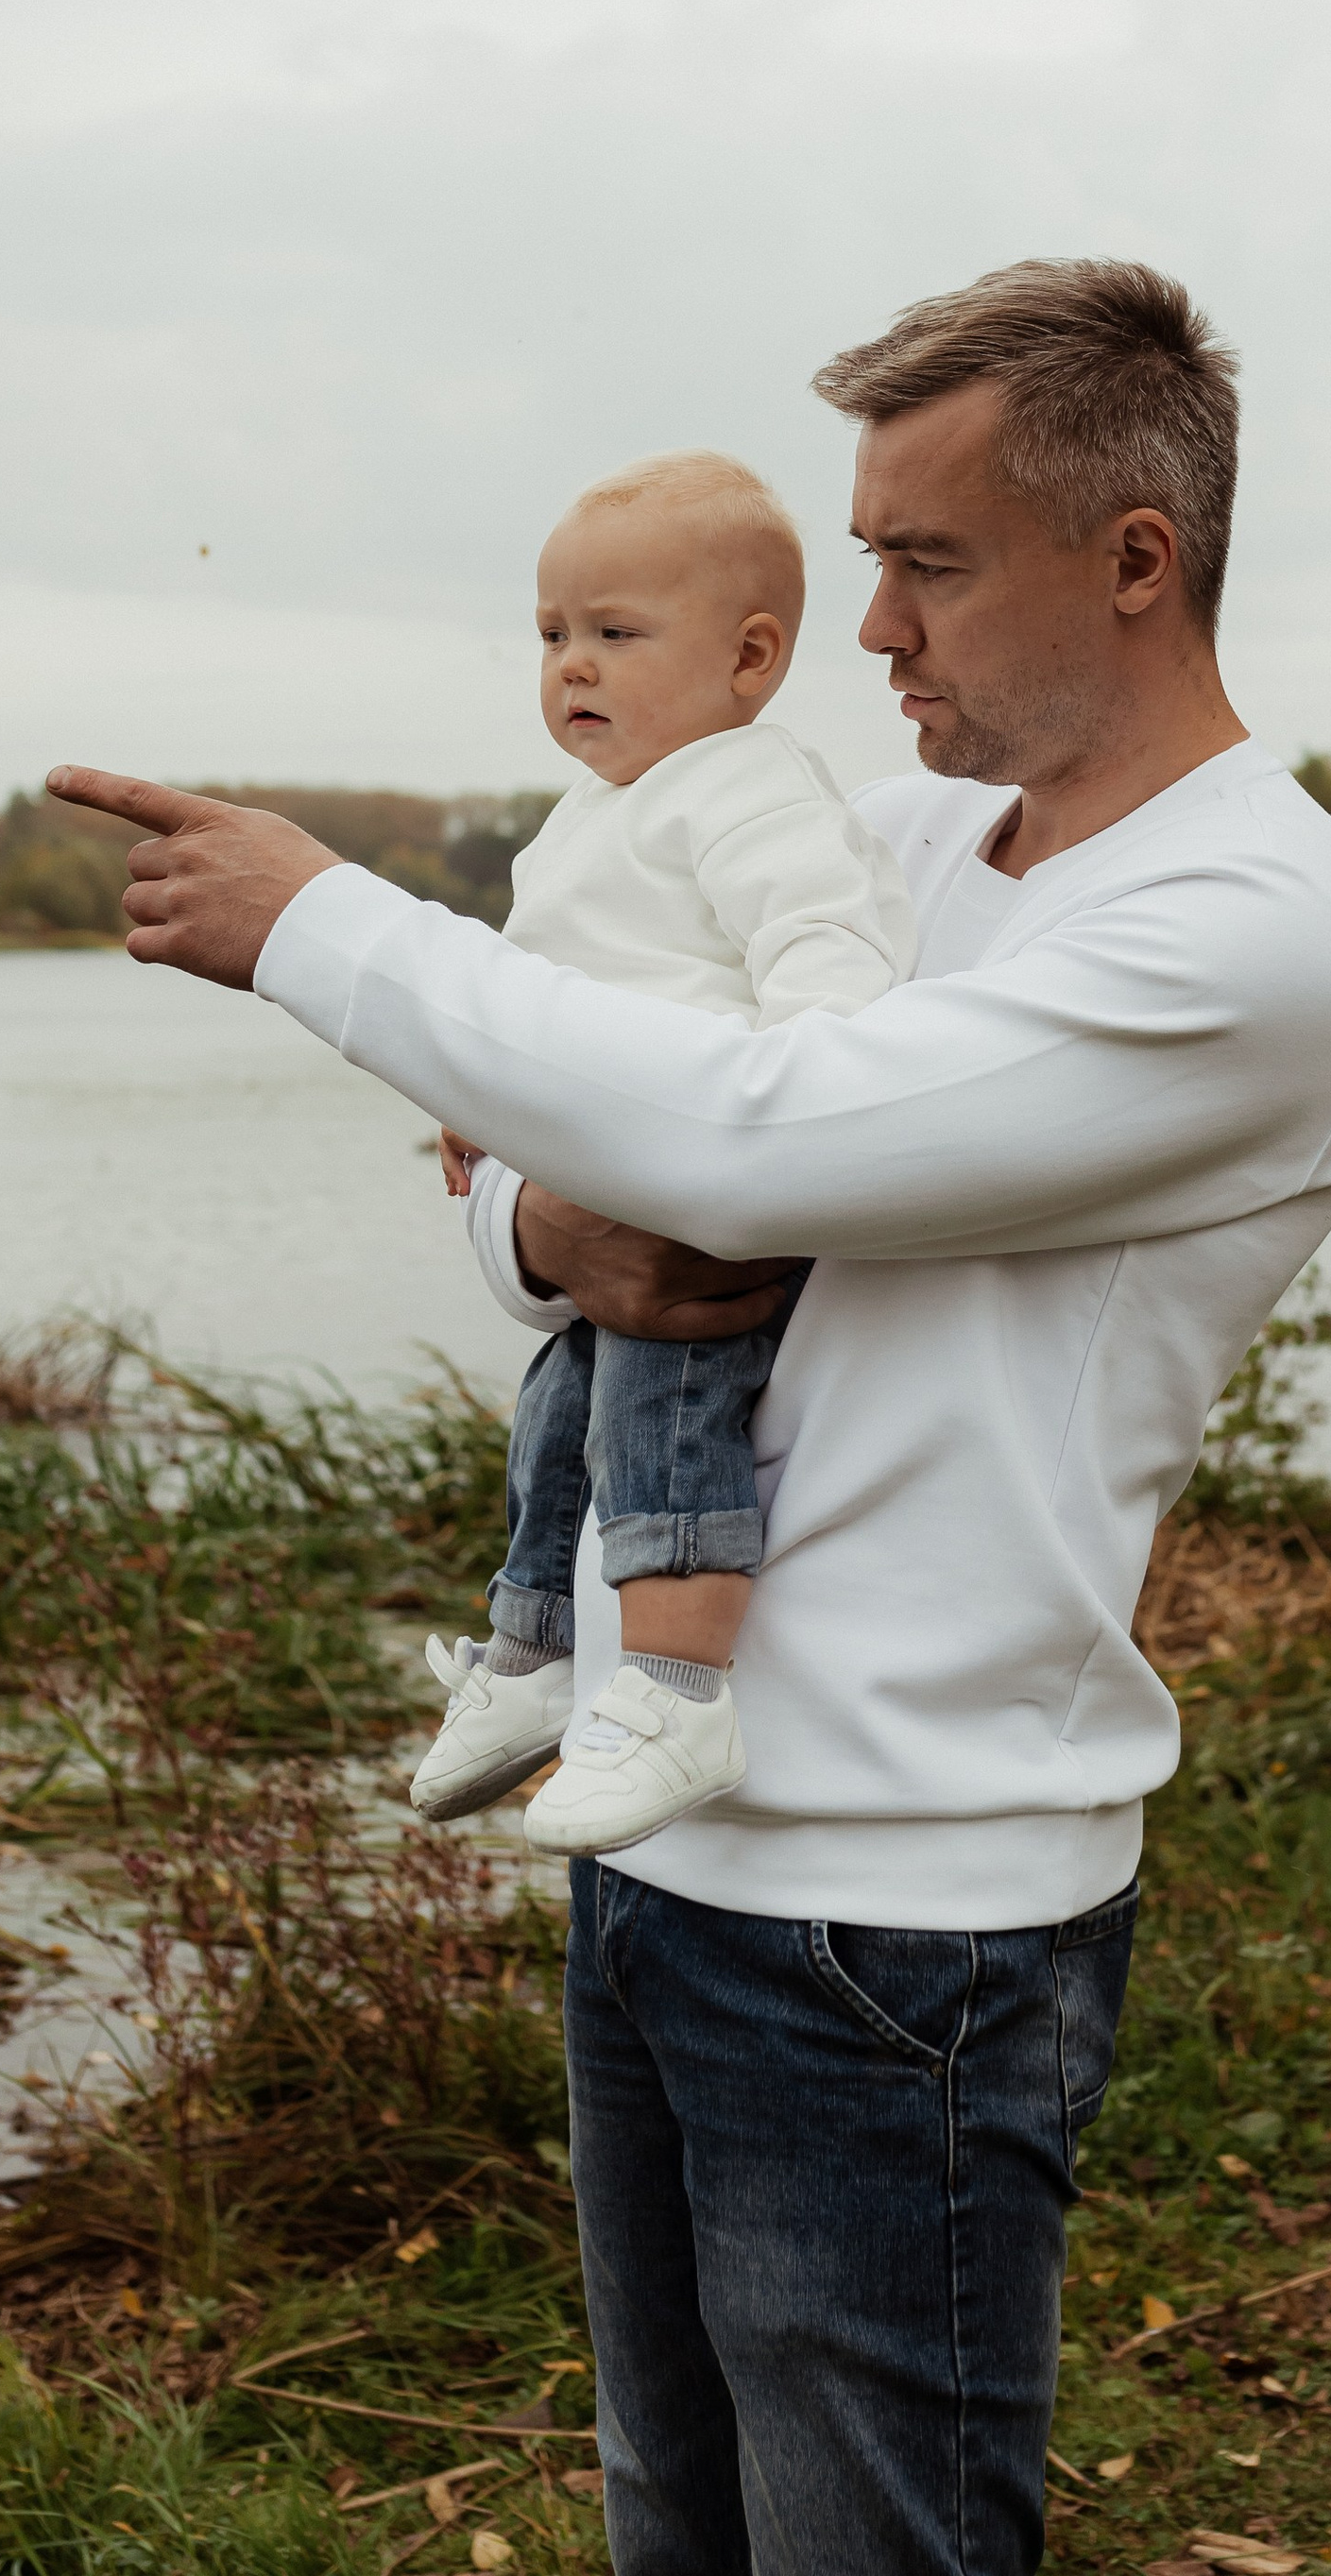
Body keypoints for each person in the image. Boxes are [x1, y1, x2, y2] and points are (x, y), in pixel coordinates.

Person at [49, 255, 1331, 2576]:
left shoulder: (1257, 927)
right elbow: (554, 1163)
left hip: (902, 1914)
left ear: (1133, 556)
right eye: (866, 553)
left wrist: (316, 922)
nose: (870, 626)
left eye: (923, 558)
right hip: (656, 1841)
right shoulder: (882, 847)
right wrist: (550, 1237)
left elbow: (742, 1135)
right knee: (668, 2521)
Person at [411, 446, 915, 1857]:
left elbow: (828, 952)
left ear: (752, 657)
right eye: (553, 634)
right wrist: (476, 1083)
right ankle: (534, 1652)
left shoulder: (748, 790)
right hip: (613, 1178)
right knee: (561, 1415)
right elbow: (532, 985)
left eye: (615, 634)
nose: (572, 664)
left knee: (669, 1413)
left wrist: (796, 1106)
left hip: (707, 1192)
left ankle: (684, 1686)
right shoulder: (590, 815)